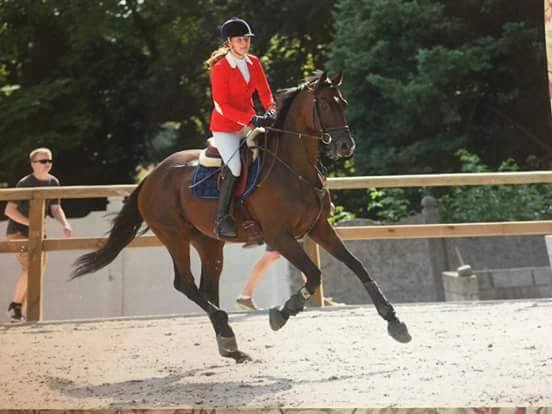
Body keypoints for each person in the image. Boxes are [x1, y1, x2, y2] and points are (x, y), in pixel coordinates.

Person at [206, 17, 276, 239]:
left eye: (246, 39)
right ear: (229, 43)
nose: (245, 43)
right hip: (225, 127)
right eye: (240, 39)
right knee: (235, 166)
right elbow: (221, 106)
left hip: (248, 122)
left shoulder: (254, 62)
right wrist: (251, 119)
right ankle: (222, 218)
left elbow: (264, 92)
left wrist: (272, 110)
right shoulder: (220, 68)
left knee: (271, 150)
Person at [4, 147, 73, 322]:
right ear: (33, 164)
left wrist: (65, 224)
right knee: (30, 268)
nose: (47, 164)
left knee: (37, 273)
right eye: (43, 161)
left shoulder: (53, 182)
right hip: (18, 233)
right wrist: (31, 223)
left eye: (49, 161)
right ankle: (16, 306)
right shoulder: (24, 183)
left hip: (38, 234)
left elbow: (55, 208)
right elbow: (9, 211)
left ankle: (20, 310)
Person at [236, 244, 345, 311]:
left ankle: (245, 296)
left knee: (277, 256)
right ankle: (245, 296)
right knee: (274, 255)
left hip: (285, 219)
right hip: (281, 220)